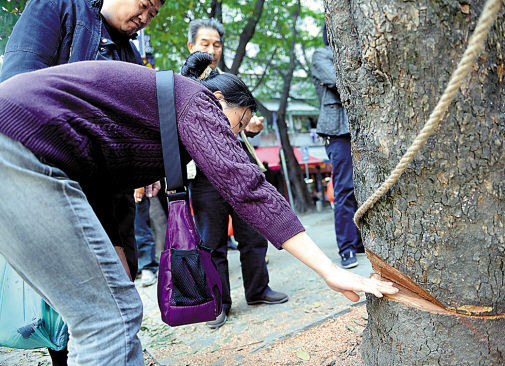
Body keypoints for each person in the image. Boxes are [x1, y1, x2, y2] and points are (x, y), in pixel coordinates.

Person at [0, 60, 398, 365]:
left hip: (27, 150)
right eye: (238, 123)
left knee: (101, 314)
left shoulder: (154, 113)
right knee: (111, 318)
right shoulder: (196, 100)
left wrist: (116, 254)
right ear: (221, 100)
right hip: (19, 147)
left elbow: (101, 189)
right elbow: (245, 185)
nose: (233, 136)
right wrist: (329, 270)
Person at [1, 0, 163, 362]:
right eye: (144, 5)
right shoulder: (57, 7)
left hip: (108, 201)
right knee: (89, 316)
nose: (145, 17)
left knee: (116, 304)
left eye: (153, 15)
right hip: (47, 184)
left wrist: (149, 167)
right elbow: (14, 92)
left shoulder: (130, 54)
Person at [185, 20, 287, 329]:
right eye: (205, 44)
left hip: (239, 168)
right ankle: (220, 303)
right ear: (191, 46)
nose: (211, 50)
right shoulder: (182, 82)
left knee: (253, 234)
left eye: (216, 44)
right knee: (212, 241)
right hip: (203, 176)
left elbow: (241, 118)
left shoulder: (229, 80)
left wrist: (251, 127)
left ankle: (258, 290)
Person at [312, 25, 364, 269]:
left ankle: (362, 241)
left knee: (363, 187)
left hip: (361, 129)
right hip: (337, 131)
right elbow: (336, 80)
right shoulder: (321, 55)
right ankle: (347, 248)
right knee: (344, 188)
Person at [133, 190, 159, 287]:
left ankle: (147, 266)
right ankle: (136, 269)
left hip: (132, 183)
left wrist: (139, 187)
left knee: (140, 228)